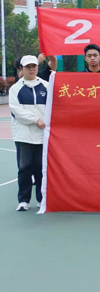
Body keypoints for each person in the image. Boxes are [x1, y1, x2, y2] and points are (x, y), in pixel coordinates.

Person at [10, 56, 48, 212]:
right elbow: (17, 111)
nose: (31, 69)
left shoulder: (46, 86)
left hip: (42, 135)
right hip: (23, 135)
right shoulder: (15, 89)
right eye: (28, 67)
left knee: (40, 167)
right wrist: (36, 119)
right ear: (21, 68)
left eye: (34, 66)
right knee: (24, 167)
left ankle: (41, 199)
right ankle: (24, 200)